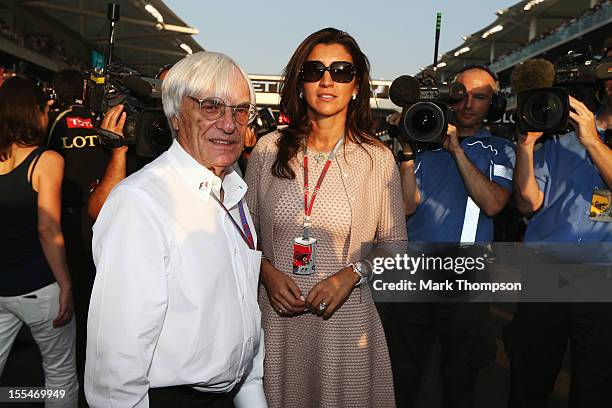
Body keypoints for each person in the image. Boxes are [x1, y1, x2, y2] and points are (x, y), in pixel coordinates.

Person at [85, 52, 267, 408]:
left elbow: (246, 316)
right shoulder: (141, 203)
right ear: (175, 115)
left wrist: (252, 397)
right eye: (212, 107)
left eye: (241, 110)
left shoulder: (234, 191)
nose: (230, 125)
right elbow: (117, 366)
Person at [244, 27, 405, 407]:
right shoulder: (268, 150)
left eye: (341, 71)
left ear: (356, 86)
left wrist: (352, 275)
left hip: (346, 321)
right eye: (314, 70)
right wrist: (265, 271)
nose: (327, 80)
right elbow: (242, 235)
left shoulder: (377, 158)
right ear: (300, 84)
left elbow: (396, 245)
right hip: (277, 320)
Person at [384, 65, 515, 407]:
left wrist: (456, 149)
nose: (468, 104)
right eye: (460, 95)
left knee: (460, 380)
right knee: (402, 377)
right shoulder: (420, 139)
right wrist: (408, 152)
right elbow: (405, 208)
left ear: (493, 104)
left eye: (480, 97)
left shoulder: (499, 149)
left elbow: (493, 203)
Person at [506, 49, 612, 408]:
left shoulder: (584, 136)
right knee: (528, 381)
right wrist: (525, 146)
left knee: (594, 390)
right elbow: (527, 203)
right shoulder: (559, 131)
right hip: (544, 274)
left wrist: (592, 142)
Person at [0, 76, 78, 406]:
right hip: (39, 287)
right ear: (32, 113)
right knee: (59, 375)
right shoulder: (47, 161)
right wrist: (66, 285)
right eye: (45, 110)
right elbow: (48, 230)